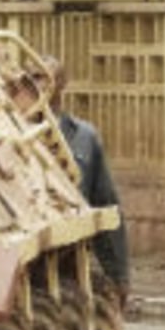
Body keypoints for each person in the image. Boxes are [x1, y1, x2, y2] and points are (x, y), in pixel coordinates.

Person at [43, 57, 131, 291]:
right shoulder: (10, 135)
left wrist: (118, 275)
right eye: (33, 77)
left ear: (62, 84)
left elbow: (105, 201)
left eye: (46, 78)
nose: (40, 85)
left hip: (71, 259)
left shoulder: (84, 137)